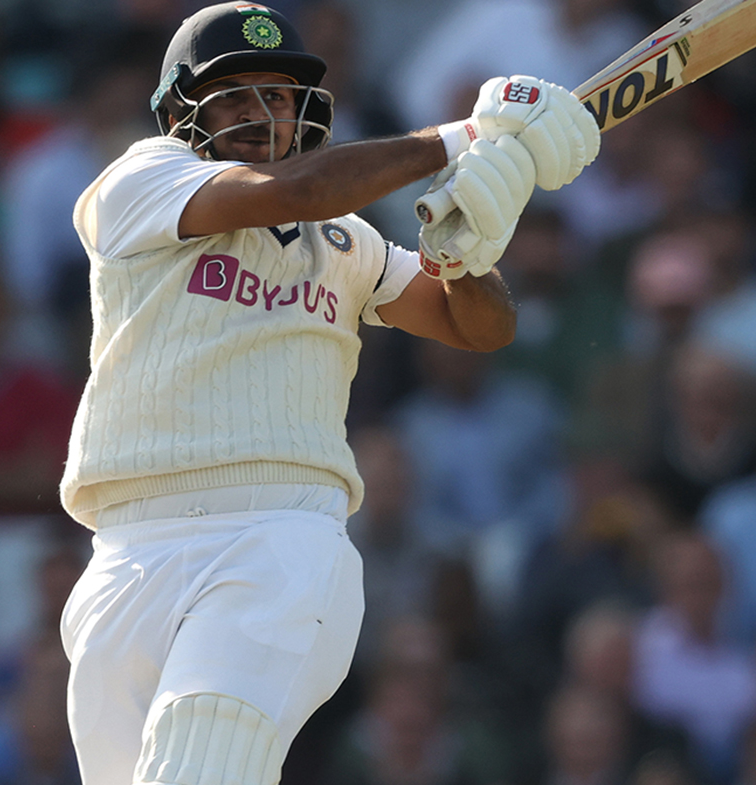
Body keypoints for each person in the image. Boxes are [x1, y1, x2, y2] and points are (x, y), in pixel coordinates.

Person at [54, 4, 601, 785]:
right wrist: (464, 138)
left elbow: (479, 327)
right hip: (127, 556)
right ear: (178, 111)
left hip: (278, 542)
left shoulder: (346, 238)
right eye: (233, 97)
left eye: (277, 97)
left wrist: (466, 250)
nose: (259, 114)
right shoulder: (138, 182)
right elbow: (295, 189)